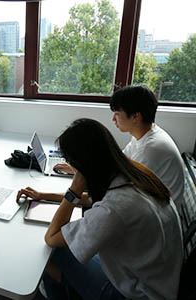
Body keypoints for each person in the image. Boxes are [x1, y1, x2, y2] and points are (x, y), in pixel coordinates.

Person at [17, 118, 183, 300]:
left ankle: (64, 288)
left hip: (137, 294)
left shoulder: (114, 210)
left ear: (83, 166)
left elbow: (52, 237)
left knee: (54, 252)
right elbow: (91, 200)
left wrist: (74, 189)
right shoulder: (134, 173)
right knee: (64, 256)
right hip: (159, 279)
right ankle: (65, 284)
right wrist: (43, 195)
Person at [55, 85, 184, 212]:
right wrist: (79, 169)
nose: (113, 119)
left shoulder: (150, 149)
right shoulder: (144, 135)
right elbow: (116, 167)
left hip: (153, 220)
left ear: (135, 117)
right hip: (146, 207)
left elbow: (111, 192)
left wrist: (46, 195)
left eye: (117, 114)